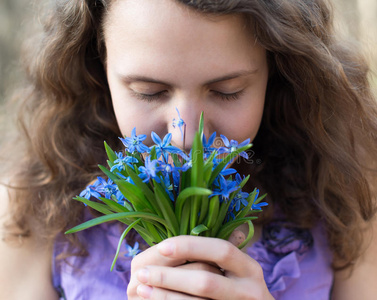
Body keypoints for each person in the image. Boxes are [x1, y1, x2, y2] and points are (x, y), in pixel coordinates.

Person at [0, 0, 376, 299]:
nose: (185, 137)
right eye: (149, 92)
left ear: (278, 70)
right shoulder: (30, 208)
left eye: (227, 91)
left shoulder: (349, 196)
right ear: (98, 68)